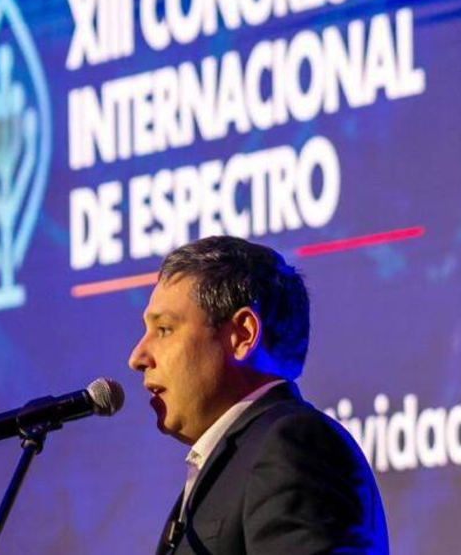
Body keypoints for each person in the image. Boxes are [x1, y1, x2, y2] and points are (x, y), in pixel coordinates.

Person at [128, 236, 389, 554]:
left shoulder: (289, 444)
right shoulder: (232, 461)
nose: (137, 357)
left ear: (243, 334)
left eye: (165, 329)